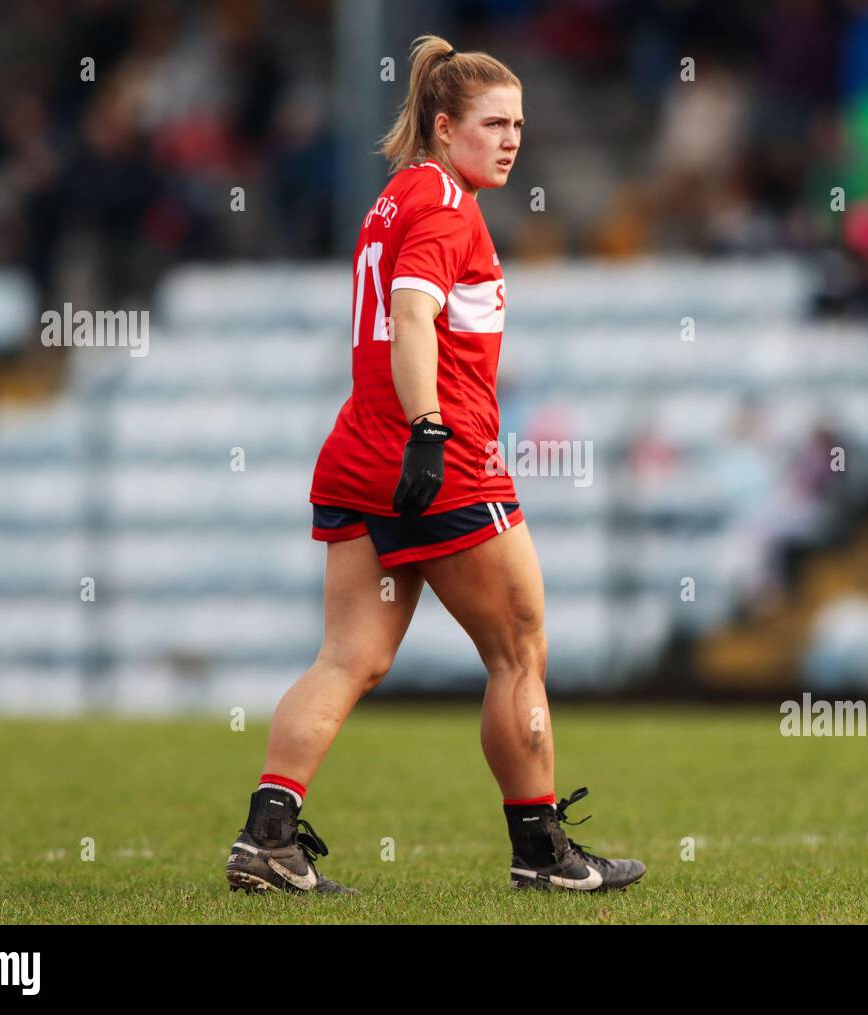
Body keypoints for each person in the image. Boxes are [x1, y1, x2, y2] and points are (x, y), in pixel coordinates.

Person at [225, 35, 645, 895]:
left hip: (357, 454)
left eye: (520, 123)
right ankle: (541, 851)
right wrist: (429, 428)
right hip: (441, 462)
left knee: (348, 658)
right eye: (494, 123)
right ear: (444, 125)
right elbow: (413, 318)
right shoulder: (448, 207)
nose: (512, 137)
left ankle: (267, 838)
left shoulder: (396, 197)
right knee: (519, 654)